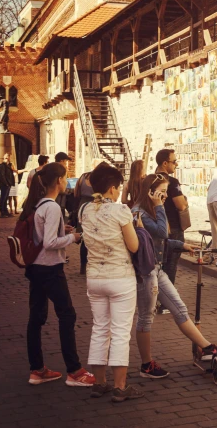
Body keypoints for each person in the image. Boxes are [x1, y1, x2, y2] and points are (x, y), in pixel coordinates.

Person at [132, 174, 217, 378]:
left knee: (180, 309)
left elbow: (159, 242)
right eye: (162, 191)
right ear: (150, 192)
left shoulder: (151, 210)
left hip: (157, 269)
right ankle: (146, 365)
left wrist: (182, 245)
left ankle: (205, 347)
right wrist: (159, 206)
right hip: (146, 272)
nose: (166, 195)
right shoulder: (139, 213)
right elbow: (162, 233)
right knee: (145, 317)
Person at [18, 162, 95, 387]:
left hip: (36, 267)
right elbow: (50, 242)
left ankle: (37, 369)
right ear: (59, 181)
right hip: (50, 268)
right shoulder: (51, 207)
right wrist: (73, 238)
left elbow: (42, 236)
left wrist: (64, 231)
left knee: (37, 318)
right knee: (67, 315)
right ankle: (74, 370)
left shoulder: (36, 204)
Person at [79, 163, 142, 402]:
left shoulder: (85, 210)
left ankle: (99, 382)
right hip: (120, 278)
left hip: (95, 278)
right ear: (113, 188)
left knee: (99, 329)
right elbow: (134, 246)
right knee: (119, 332)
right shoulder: (120, 211)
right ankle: (120, 386)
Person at [155, 149, 187, 288]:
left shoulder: (150, 179)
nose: (176, 164)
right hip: (172, 226)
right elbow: (181, 206)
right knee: (171, 265)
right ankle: (166, 302)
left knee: (157, 265)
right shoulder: (172, 182)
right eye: (174, 162)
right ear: (165, 163)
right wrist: (185, 201)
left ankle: (155, 299)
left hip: (155, 225)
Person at [73, 160, 101, 276]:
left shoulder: (83, 176)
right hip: (95, 206)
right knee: (95, 236)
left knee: (84, 237)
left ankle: (83, 266)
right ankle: (93, 265)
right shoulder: (99, 179)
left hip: (82, 206)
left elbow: (75, 193)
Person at [0, 153, 17, 217]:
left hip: (8, 184)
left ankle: (6, 211)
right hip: (4, 184)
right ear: (7, 158)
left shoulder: (8, 165)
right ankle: (2, 212)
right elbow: (2, 175)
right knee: (3, 198)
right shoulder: (2, 165)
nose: (10, 159)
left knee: (6, 198)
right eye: (9, 157)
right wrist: (6, 183)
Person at [54, 152, 72, 222]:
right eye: (65, 161)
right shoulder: (61, 170)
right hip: (59, 197)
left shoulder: (51, 167)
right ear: (61, 161)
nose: (66, 163)